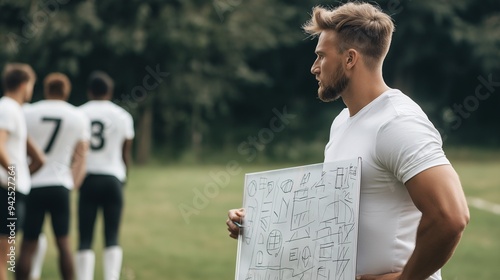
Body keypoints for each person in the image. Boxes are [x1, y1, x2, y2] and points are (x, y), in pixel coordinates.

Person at [227, 2, 470, 280]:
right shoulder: (342, 122)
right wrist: (259, 224)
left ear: (350, 59)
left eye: (321, 56)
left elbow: (451, 217)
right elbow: (332, 219)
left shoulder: (397, 122)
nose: (314, 68)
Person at [17, 73, 90, 280]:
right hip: (60, 184)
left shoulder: (28, 112)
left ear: (46, 89)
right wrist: (73, 182)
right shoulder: (77, 116)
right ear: (66, 91)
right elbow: (81, 154)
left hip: (33, 182)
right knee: (64, 244)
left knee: (28, 244)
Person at [77, 71, 134, 280]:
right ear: (109, 91)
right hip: (113, 178)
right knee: (112, 235)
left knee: (85, 236)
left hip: (88, 178)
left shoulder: (80, 113)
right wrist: (124, 177)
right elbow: (125, 153)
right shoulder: (122, 115)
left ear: (89, 91)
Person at [0, 63, 44, 280]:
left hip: (12, 190)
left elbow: (37, 157)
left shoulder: (13, 109)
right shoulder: (7, 107)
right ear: (25, 84)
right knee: (3, 256)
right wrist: (14, 174)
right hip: (7, 189)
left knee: (6, 254)